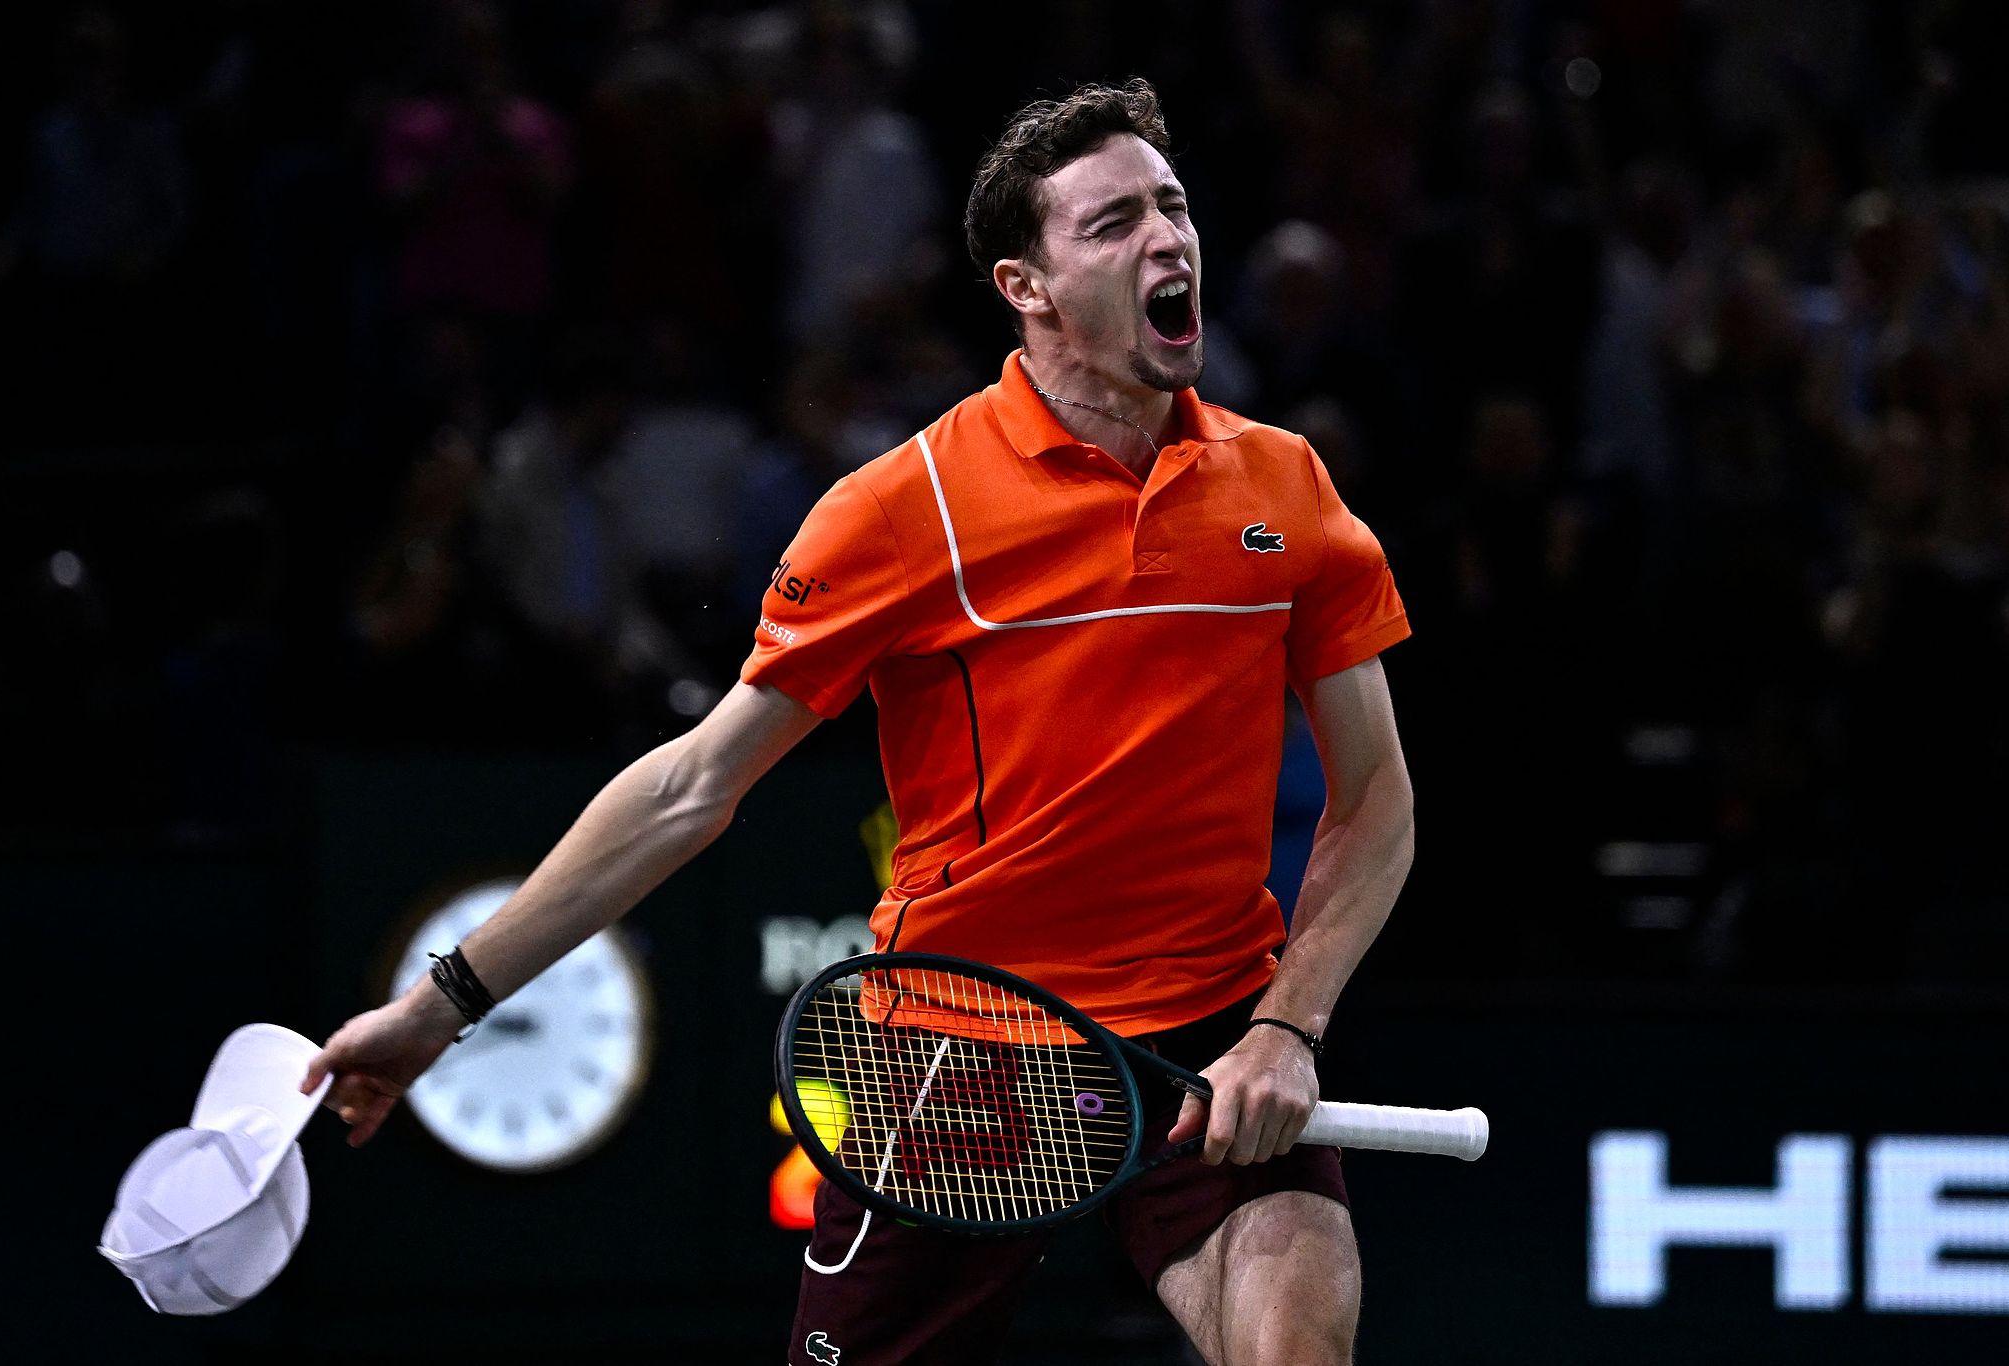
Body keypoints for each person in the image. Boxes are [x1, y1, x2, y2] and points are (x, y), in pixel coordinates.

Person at [303, 78, 1414, 1366]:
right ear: (1027, 287)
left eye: (1172, 208)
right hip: (962, 1043)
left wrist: (1288, 1023)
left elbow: (1376, 800)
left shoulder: (1285, 488)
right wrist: (441, 1006)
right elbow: (692, 787)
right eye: (1112, 224)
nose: (1167, 240)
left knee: (1300, 1345)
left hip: (1213, 1031)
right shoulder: (906, 509)